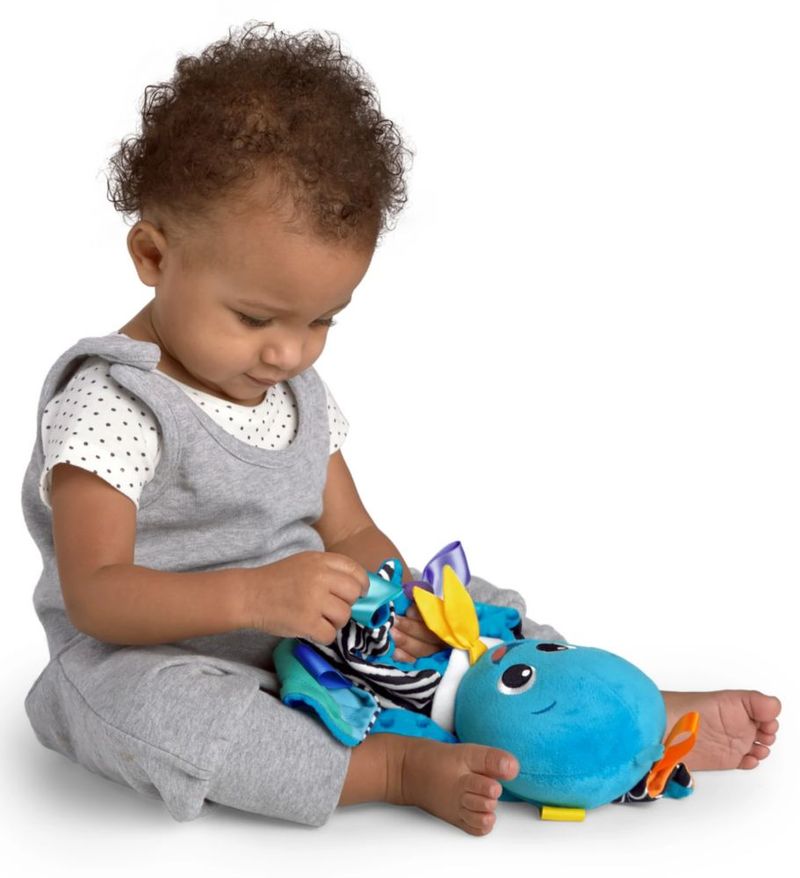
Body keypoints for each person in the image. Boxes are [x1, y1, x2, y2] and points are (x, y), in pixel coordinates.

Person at [21, 22, 780, 838]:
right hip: (155, 654)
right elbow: (96, 595)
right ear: (153, 256)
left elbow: (350, 531)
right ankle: (390, 766)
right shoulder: (116, 404)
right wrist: (253, 597)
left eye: (322, 321)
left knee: (475, 607)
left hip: (317, 638)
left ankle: (621, 718)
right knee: (159, 717)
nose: (289, 352)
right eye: (255, 318)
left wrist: (408, 607)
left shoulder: (288, 388)